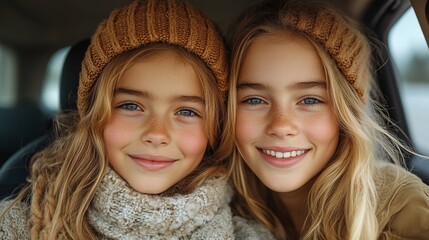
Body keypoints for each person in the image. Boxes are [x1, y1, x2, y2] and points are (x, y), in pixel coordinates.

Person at [0, 0, 274, 239]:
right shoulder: (20, 225)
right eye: (131, 106)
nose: (157, 133)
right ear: (95, 114)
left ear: (216, 125)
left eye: (186, 112)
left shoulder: (251, 234)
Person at [223, 0, 429, 239]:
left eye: (310, 100)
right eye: (255, 100)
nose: (281, 126)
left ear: (346, 113)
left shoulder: (400, 205)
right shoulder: (216, 204)